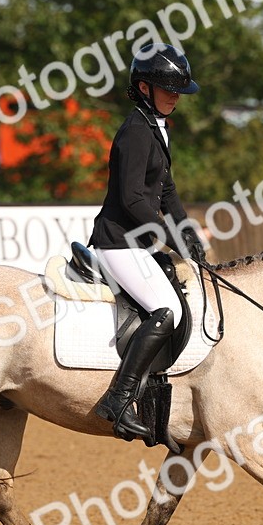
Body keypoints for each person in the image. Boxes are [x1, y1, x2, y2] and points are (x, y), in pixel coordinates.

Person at [88, 42, 207, 442]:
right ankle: (118, 399)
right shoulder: (135, 131)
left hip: (137, 243)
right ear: (143, 88)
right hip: (118, 242)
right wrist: (167, 235)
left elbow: (167, 191)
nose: (175, 96)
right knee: (166, 309)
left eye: (178, 90)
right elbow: (131, 199)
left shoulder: (158, 127)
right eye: (168, 89)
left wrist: (187, 232)